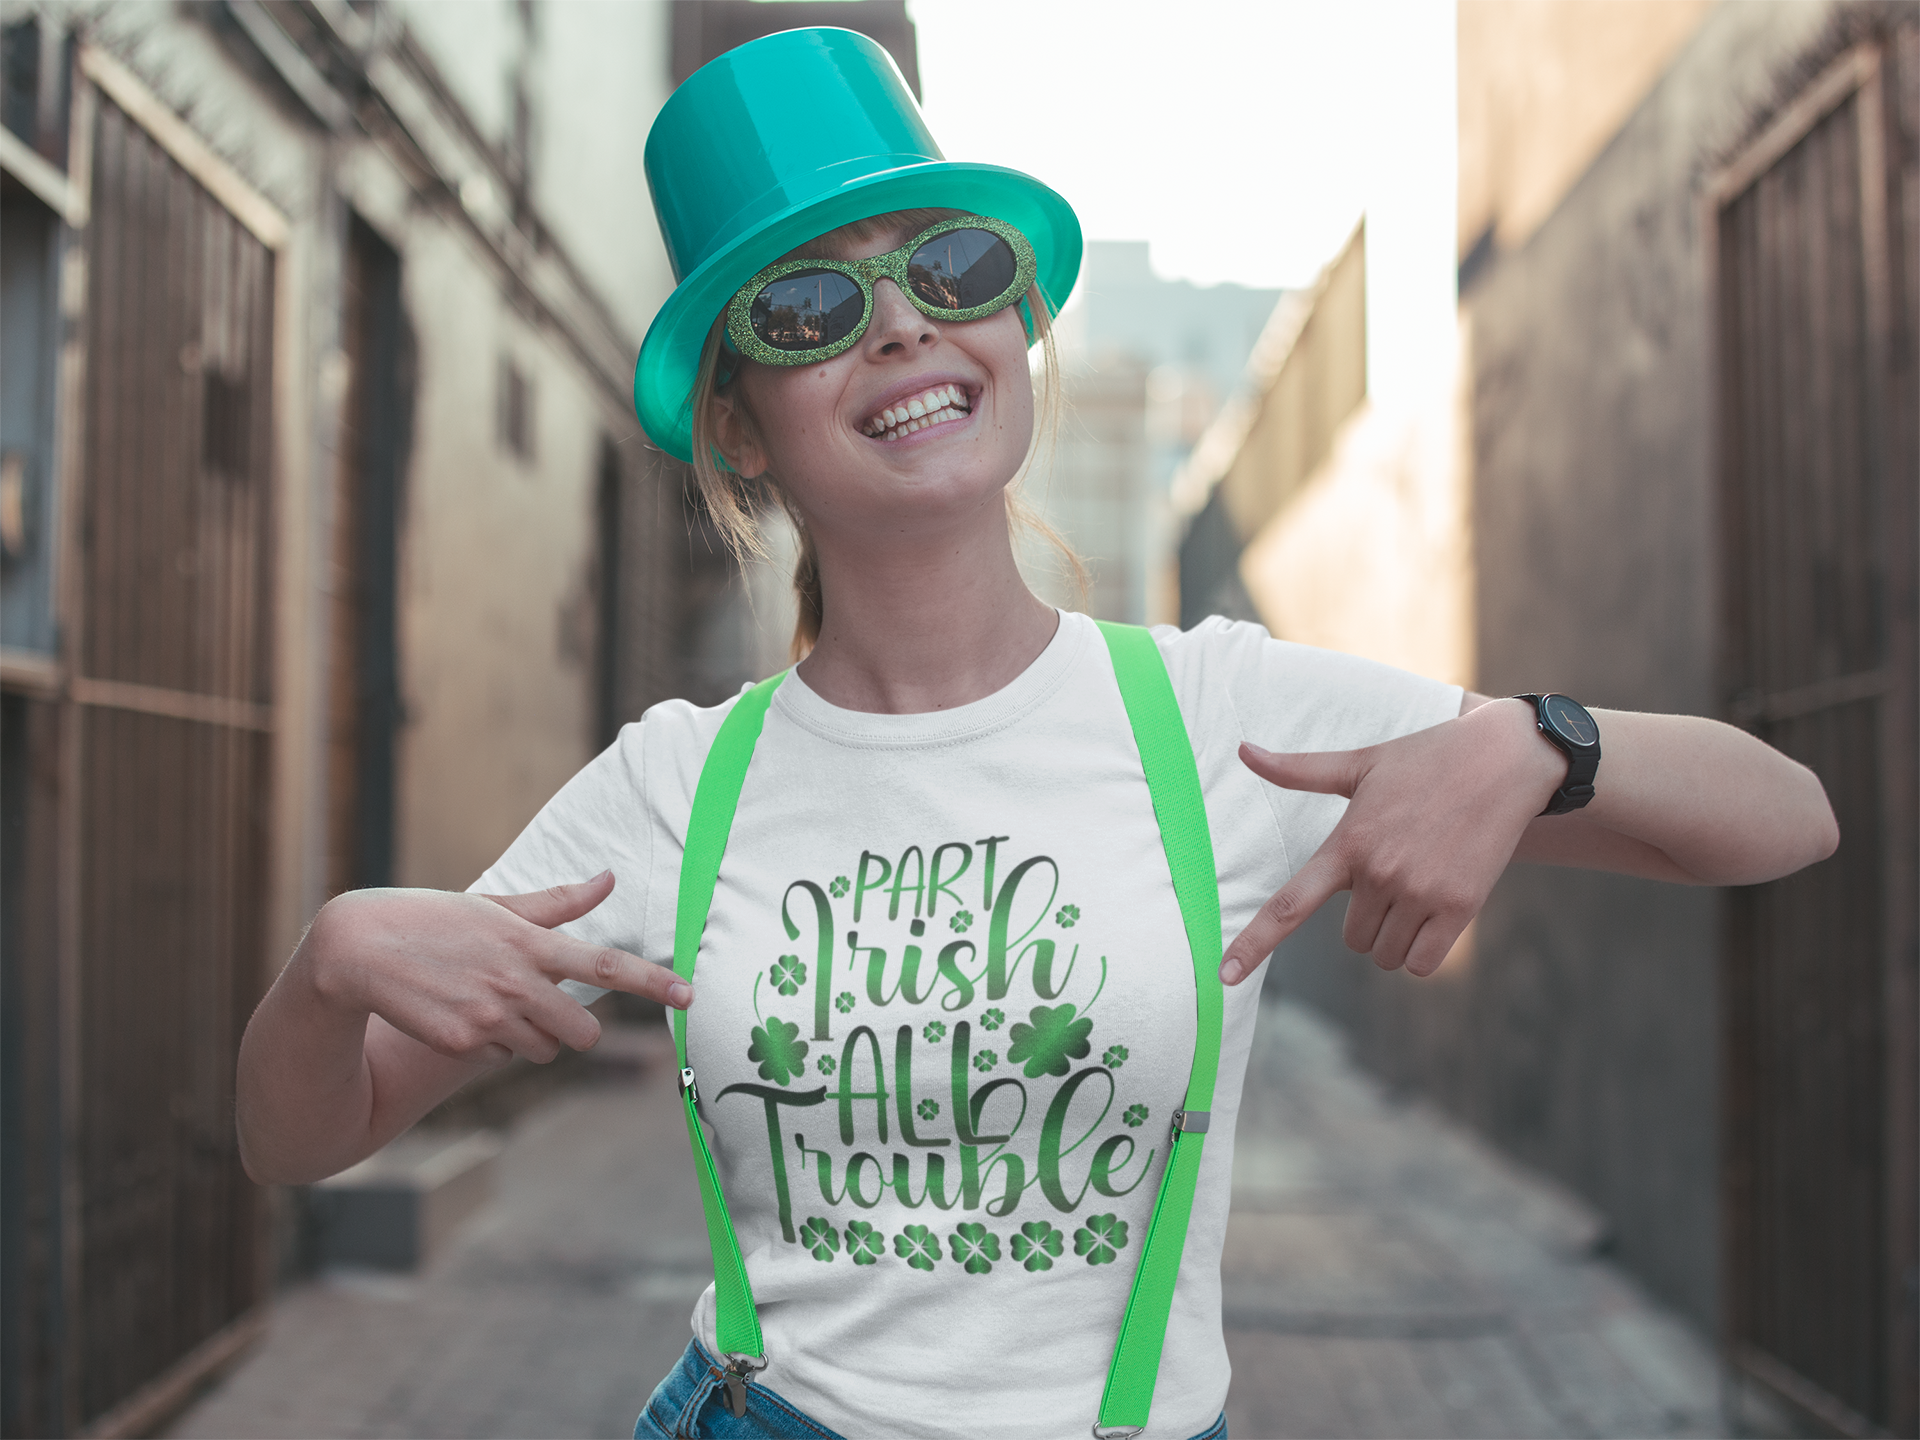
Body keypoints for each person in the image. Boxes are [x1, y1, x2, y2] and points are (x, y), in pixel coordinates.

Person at [235, 28, 1838, 1440]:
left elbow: (1786, 815)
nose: (902, 330)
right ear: (739, 419)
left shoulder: (1221, 713)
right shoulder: (678, 785)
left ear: (1014, 323)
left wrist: (1535, 740)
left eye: (951, 270)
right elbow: (303, 1135)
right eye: (809, 303)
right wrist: (328, 970)